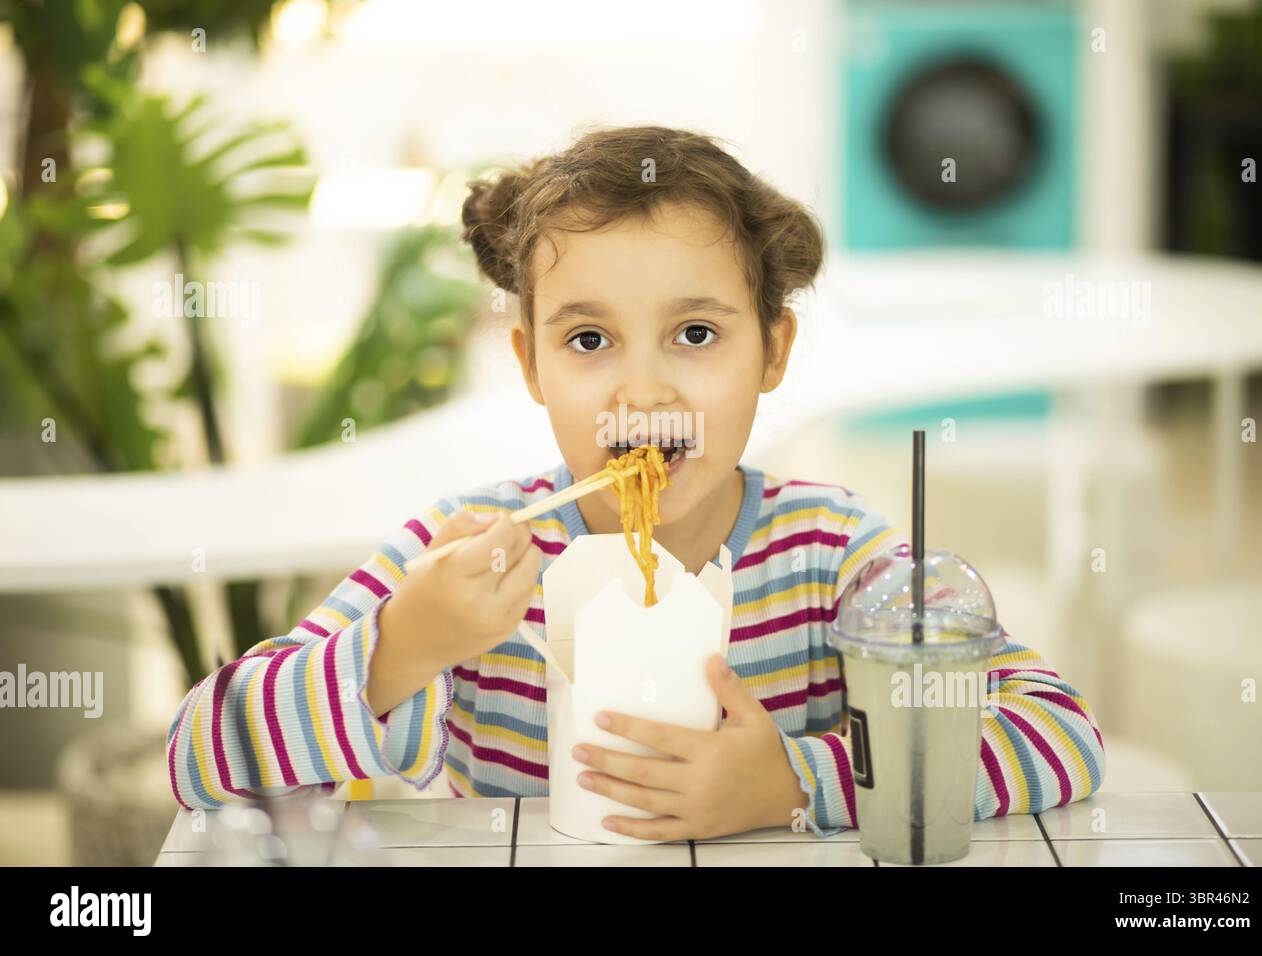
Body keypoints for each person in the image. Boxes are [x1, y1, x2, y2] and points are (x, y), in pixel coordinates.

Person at [166, 125, 1105, 841]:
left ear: (772, 351)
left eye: (696, 335)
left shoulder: (835, 556)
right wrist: (402, 649)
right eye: (588, 340)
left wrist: (792, 784)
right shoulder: (467, 554)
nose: (643, 389)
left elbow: (1061, 734)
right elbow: (198, 755)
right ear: (530, 365)